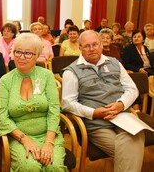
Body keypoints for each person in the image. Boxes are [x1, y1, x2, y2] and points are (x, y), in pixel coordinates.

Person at [62, 30, 145, 172]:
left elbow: (132, 89)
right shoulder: (71, 71)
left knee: (136, 136)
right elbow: (68, 103)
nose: (92, 48)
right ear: (81, 49)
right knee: (131, 148)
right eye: (87, 46)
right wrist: (94, 113)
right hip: (96, 123)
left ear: (101, 45)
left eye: (95, 44)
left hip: (122, 115)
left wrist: (121, 104)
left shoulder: (115, 63)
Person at [0, 33, 67, 171]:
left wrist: (48, 142)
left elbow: (54, 110)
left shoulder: (47, 76)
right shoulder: (5, 80)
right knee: (30, 167)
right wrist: (24, 139)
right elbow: (2, 117)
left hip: (48, 134)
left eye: (28, 53)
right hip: (19, 137)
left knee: (55, 166)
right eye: (18, 52)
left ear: (37, 55)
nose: (21, 57)